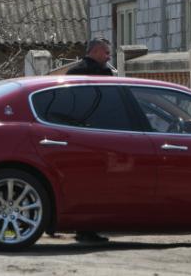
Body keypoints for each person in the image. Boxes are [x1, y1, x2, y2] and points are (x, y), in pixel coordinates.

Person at [66, 37, 112, 243]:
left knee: (82, 182)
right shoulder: (102, 74)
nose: (108, 56)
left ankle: (80, 226)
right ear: (95, 51)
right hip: (97, 134)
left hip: (76, 132)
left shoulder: (74, 72)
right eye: (106, 52)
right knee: (95, 184)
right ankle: (87, 229)